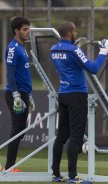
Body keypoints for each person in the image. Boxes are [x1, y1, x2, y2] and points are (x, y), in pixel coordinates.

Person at [49, 21, 108, 183]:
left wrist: (74, 48)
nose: (76, 34)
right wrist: (103, 52)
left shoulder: (53, 49)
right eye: (74, 32)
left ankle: (55, 174)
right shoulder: (74, 50)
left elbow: (68, 59)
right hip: (77, 95)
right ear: (70, 33)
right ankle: (72, 176)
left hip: (62, 94)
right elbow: (93, 67)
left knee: (61, 135)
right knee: (76, 136)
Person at [2, 17, 35, 173]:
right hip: (14, 93)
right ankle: (9, 167)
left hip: (23, 92)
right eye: (25, 29)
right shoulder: (13, 48)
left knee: (21, 129)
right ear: (16, 31)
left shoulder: (22, 47)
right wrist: (16, 95)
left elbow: (24, 73)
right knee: (17, 129)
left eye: (28, 28)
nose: (28, 32)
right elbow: (10, 74)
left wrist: (29, 94)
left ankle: (9, 165)